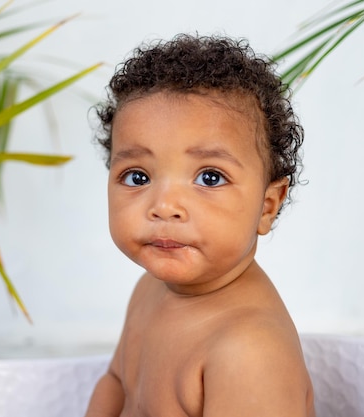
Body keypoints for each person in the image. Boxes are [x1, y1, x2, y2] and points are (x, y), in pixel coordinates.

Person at [85, 33, 315, 417]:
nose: (164, 206)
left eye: (209, 177)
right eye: (138, 176)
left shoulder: (248, 350)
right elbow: (115, 383)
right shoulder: (149, 291)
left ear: (267, 206)